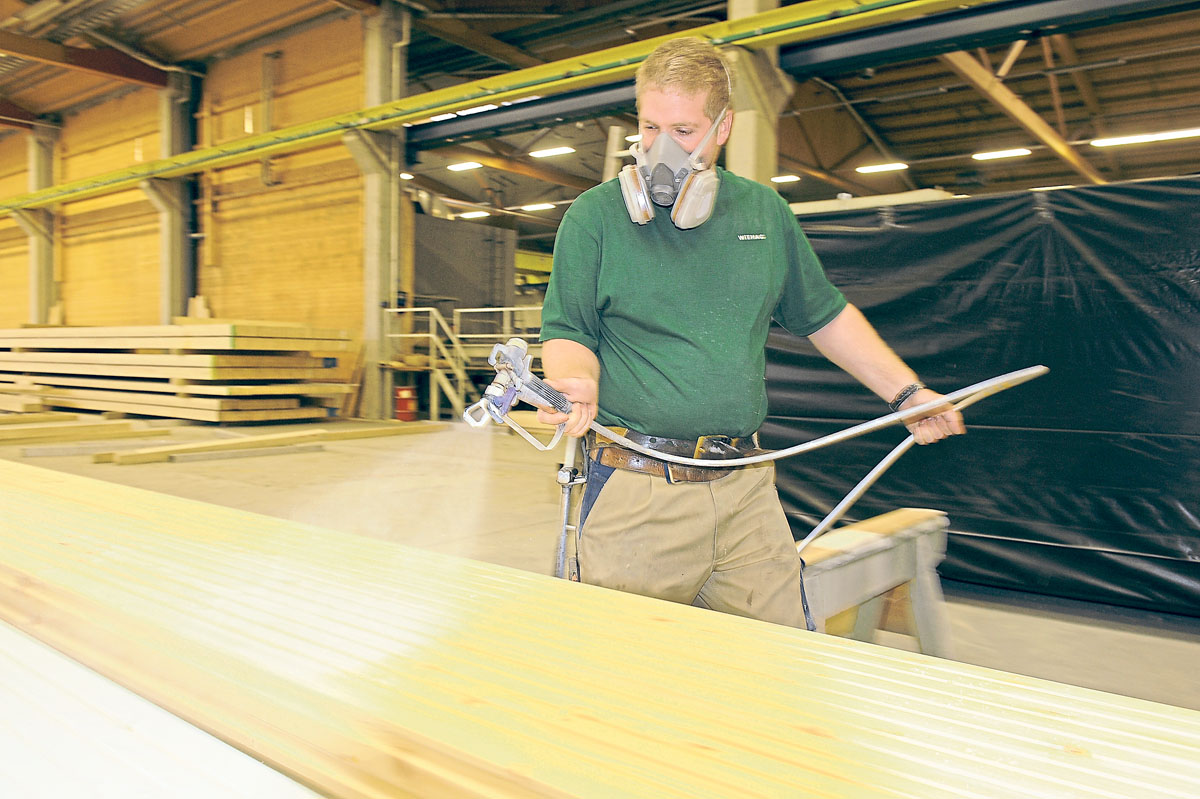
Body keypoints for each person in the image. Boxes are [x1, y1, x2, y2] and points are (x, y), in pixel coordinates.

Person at [535, 37, 963, 629]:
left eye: (683, 131)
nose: (661, 149)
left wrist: (906, 394)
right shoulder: (595, 218)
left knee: (783, 667)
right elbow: (566, 329)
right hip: (638, 491)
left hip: (746, 487)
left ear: (724, 126)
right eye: (649, 126)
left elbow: (826, 316)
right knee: (624, 682)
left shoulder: (765, 215)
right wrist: (574, 379)